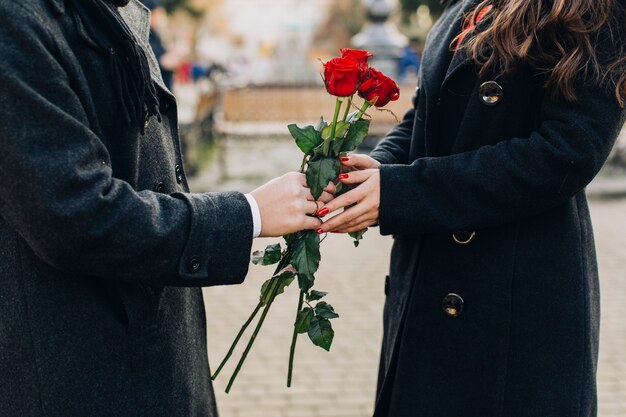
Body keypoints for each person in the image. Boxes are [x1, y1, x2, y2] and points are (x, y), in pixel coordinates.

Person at [0, 0, 332, 416]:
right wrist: (249, 214)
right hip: (86, 373)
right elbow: (76, 213)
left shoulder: (111, 11)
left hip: (155, 359)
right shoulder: (18, 20)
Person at [316, 0, 626, 415]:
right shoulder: (466, 4)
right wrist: (380, 167)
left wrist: (402, 193)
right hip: (429, 280)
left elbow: (566, 153)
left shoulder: (594, 8)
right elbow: (424, 113)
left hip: (515, 296)